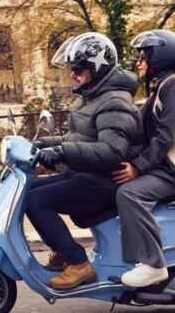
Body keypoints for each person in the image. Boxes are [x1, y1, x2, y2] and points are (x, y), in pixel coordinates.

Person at [27, 32, 142, 290]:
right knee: (28, 191)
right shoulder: (91, 98)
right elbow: (76, 138)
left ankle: (78, 263)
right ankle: (63, 252)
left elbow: (112, 151)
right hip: (85, 173)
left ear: (96, 69)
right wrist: (39, 145)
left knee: (36, 201)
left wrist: (62, 152)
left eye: (78, 69)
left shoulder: (114, 101)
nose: (72, 75)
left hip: (103, 180)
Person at [112, 29, 175, 288]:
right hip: (162, 167)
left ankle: (153, 264)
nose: (139, 63)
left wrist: (138, 167)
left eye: (143, 57)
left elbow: (166, 136)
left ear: (159, 57)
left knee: (130, 194)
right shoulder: (159, 88)